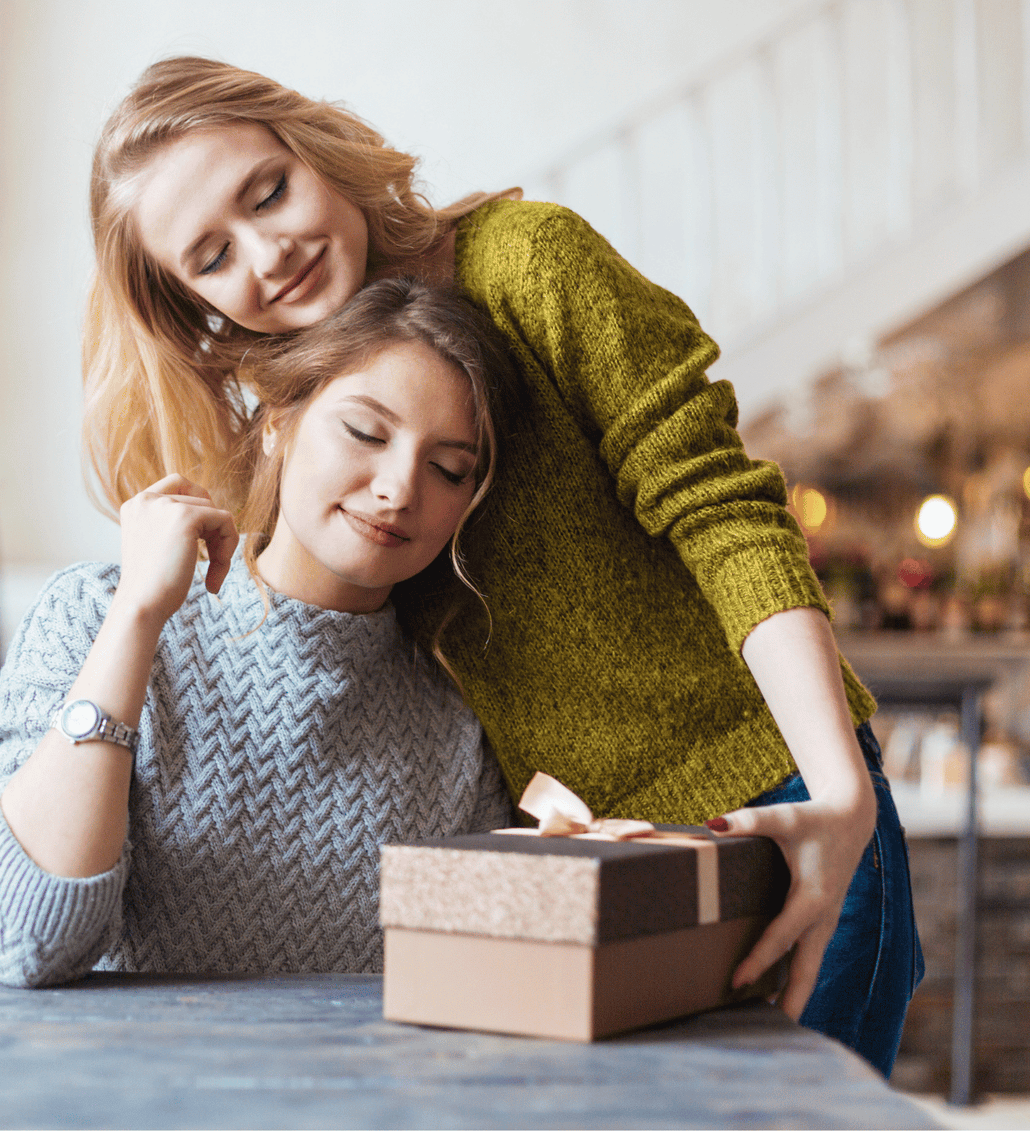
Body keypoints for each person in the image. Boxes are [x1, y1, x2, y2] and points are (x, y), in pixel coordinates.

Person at [78, 56, 923, 1076]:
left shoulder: (527, 262)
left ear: (316, 150)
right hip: (583, 858)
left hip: (770, 806)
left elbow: (721, 508)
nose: (270, 251)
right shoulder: (306, 413)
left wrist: (838, 791)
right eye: (213, 257)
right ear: (195, 308)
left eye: (268, 192)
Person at [0, 279, 515, 988]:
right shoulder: (96, 615)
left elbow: (480, 987)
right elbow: (24, 936)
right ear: (278, 421)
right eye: (366, 432)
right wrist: (138, 615)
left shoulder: (455, 721)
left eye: (449, 468)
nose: (399, 489)